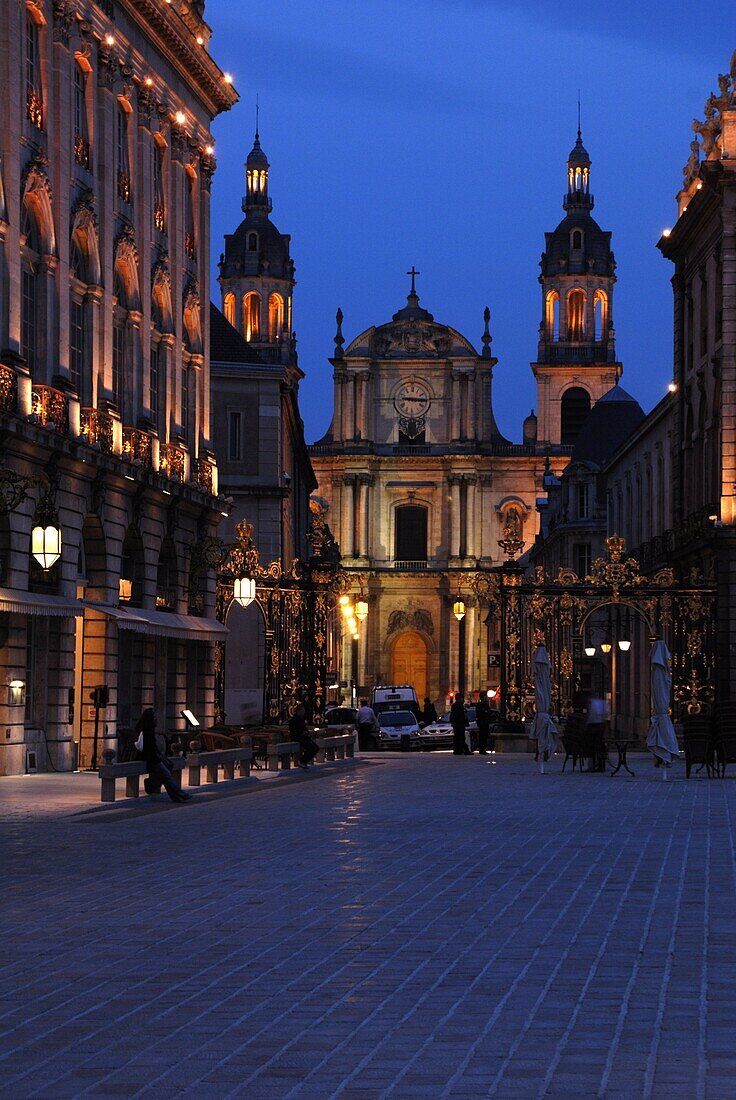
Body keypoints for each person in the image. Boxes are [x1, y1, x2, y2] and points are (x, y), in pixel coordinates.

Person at [136, 708, 191, 803]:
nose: (156, 720)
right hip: (151, 759)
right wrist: (158, 759)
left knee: (166, 773)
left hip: (154, 758)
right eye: (154, 718)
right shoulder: (146, 732)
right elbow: (149, 751)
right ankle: (179, 794)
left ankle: (175, 796)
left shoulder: (150, 730)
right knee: (167, 775)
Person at [289, 703, 319, 769]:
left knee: (316, 747)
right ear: (298, 711)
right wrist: (302, 733)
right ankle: (302, 761)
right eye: (302, 711)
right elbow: (294, 730)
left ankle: (304, 761)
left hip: (304, 737)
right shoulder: (294, 719)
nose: (303, 712)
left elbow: (304, 728)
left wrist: (306, 732)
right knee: (311, 748)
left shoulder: (302, 719)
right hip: (298, 738)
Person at [586, 695, 608, 772]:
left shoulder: (593, 703)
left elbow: (591, 716)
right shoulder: (602, 703)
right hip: (600, 726)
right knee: (599, 746)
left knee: (594, 746)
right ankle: (599, 764)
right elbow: (605, 715)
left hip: (594, 727)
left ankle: (594, 764)